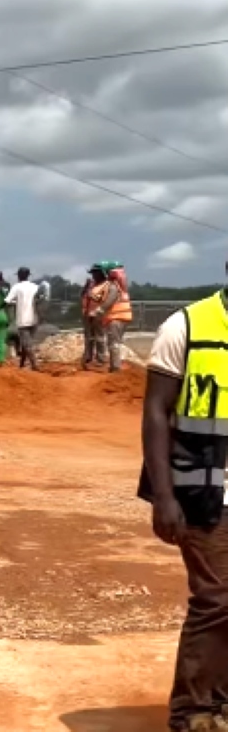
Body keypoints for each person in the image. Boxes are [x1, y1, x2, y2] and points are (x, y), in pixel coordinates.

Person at [138, 262, 227, 732]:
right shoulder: (186, 326)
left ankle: (219, 699)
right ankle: (193, 710)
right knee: (216, 596)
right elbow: (156, 412)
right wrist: (163, 495)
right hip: (200, 487)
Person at [89, 261, 133, 372]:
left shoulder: (114, 286)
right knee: (115, 342)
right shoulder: (120, 285)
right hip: (121, 317)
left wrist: (97, 311)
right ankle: (115, 366)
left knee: (113, 343)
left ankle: (115, 368)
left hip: (116, 317)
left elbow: (109, 301)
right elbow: (105, 299)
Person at [5, 266, 41, 371]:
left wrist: (0, 308)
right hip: (34, 319)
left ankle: (35, 365)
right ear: (28, 276)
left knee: (27, 344)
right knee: (26, 343)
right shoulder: (35, 286)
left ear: (19, 276)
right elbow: (39, 301)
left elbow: (7, 300)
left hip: (23, 320)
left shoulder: (16, 287)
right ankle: (21, 364)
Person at [81, 272, 107, 368]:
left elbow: (103, 299)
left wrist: (91, 294)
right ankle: (88, 356)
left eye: (95, 273)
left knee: (99, 337)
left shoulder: (105, 285)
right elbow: (83, 296)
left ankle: (101, 358)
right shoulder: (91, 284)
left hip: (98, 314)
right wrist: (86, 287)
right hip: (88, 313)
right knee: (88, 337)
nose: (93, 275)